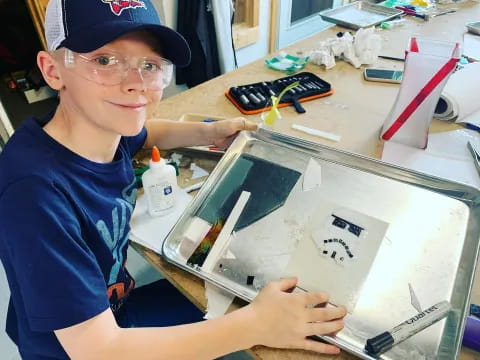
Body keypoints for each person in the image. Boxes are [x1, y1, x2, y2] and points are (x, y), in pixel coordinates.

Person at [0, 1, 347, 359]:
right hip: (75, 347)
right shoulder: (34, 196)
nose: (136, 84)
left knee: (237, 298)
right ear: (52, 70)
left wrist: (208, 131)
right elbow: (99, 351)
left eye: (150, 65)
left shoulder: (99, 126)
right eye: (104, 61)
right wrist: (257, 324)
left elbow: (146, 132)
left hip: (114, 307)